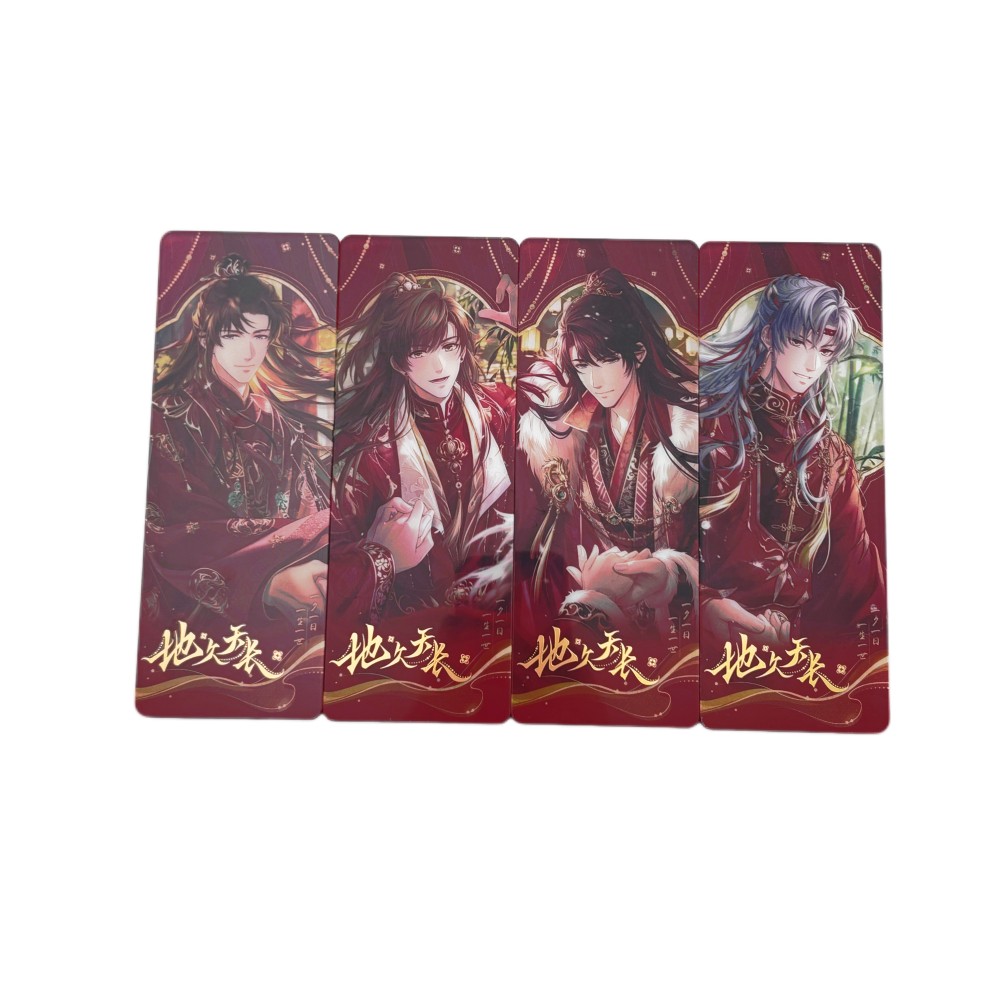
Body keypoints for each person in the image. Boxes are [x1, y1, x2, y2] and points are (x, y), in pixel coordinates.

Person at [141, 254, 335, 647]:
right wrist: (265, 575)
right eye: (233, 336)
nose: (249, 353)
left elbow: (307, 504)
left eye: (260, 336)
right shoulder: (167, 415)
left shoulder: (274, 418)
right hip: (206, 596)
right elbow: (170, 530)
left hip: (289, 573)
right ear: (206, 337)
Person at [699, 273, 886, 652]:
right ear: (769, 336)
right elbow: (665, 539)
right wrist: (704, 605)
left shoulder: (832, 455)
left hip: (796, 646)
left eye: (825, 350)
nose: (811, 363)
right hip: (707, 637)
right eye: (800, 342)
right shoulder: (709, 424)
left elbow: (853, 575)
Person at [327, 272, 516, 626]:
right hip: (417, 627)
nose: (439, 366)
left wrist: (524, 325)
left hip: (499, 612)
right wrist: (383, 558)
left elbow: (566, 407)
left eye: (448, 346)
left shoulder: (500, 408)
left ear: (463, 348)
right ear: (398, 362)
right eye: (419, 351)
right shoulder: (368, 447)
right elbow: (332, 559)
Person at [518, 267, 699, 635]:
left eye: (607, 360)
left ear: (638, 353)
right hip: (596, 602)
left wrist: (671, 573)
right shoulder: (570, 434)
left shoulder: (686, 430)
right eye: (582, 365)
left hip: (671, 606)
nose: (595, 380)